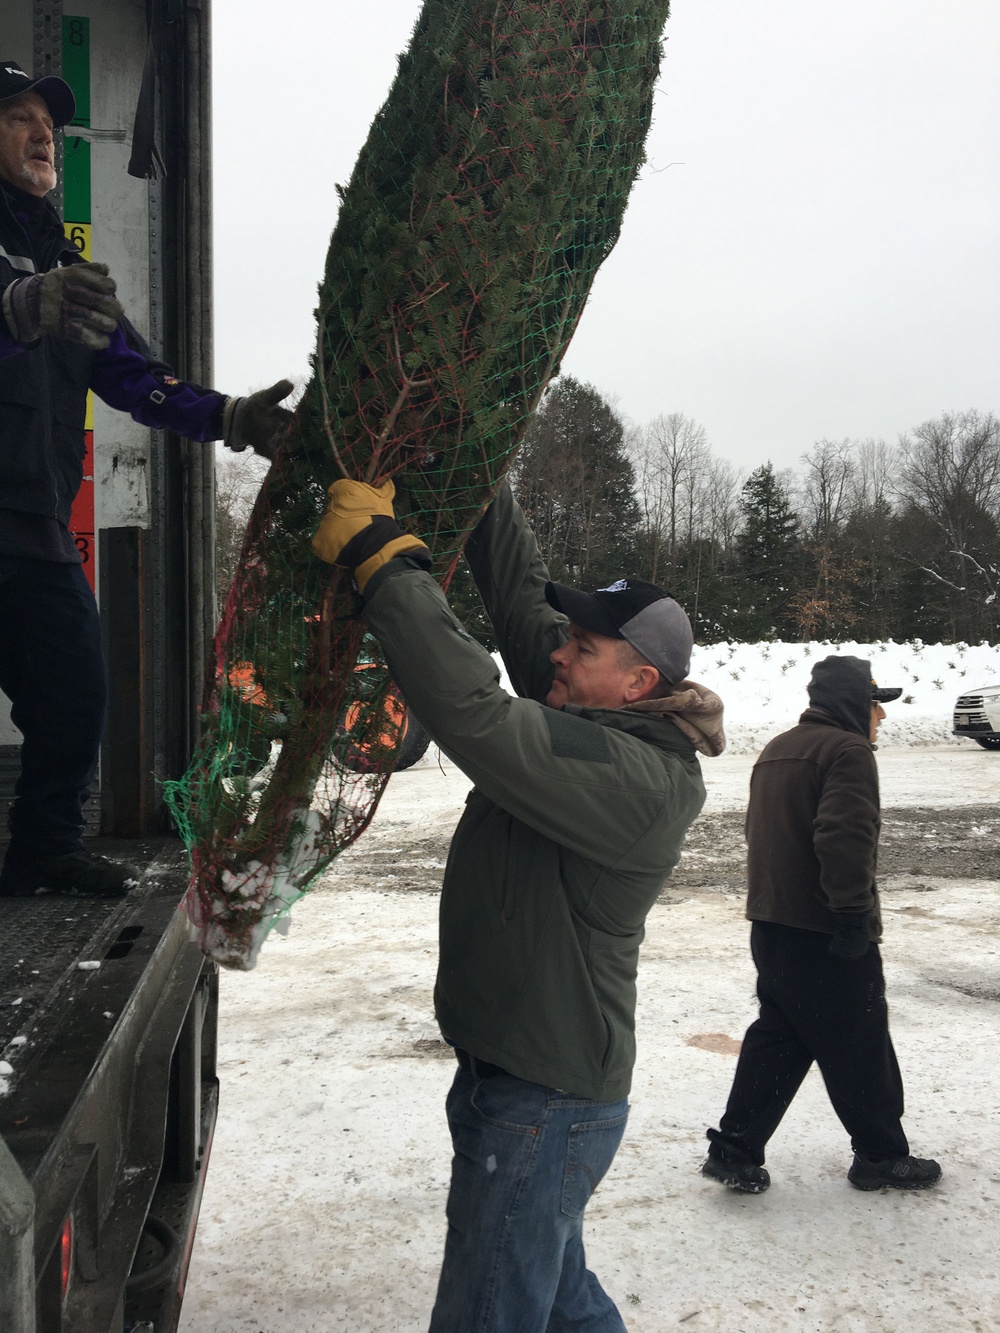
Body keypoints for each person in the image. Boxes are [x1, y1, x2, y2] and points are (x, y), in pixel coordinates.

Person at [311, 476, 724, 1331]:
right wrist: (475, 463)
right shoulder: (598, 708)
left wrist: (383, 564)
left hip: (545, 1104)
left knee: (490, 1310)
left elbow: (473, 711)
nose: (560, 655)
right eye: (568, 639)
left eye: (582, 645)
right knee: (562, 1300)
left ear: (639, 680)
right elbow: (519, 593)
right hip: (515, 1080)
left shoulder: (638, 779)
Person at [0, 59, 293, 899]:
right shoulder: (35, 276)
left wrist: (229, 417)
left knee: (75, 692)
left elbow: (133, 374)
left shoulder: (61, 254)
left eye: (47, 123)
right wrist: (21, 307)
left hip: (33, 520)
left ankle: (42, 851)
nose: (42, 133)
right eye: (19, 116)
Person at [701, 655, 942, 1194]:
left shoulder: (778, 748)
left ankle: (734, 1149)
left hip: (772, 924)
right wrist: (853, 914)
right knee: (860, 1037)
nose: (882, 715)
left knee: (782, 1034)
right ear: (856, 701)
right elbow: (843, 837)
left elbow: (756, 832)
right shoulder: (848, 751)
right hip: (825, 927)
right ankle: (880, 1155)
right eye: (877, 703)